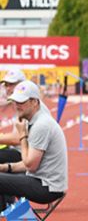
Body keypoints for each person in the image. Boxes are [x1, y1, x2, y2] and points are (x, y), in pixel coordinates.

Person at [0, 80, 67, 211]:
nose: (16, 105)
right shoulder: (37, 117)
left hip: (47, 187)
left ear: (34, 102)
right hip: (42, 180)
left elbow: (30, 165)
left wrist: (23, 136)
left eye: (21, 102)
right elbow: (29, 164)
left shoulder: (41, 125)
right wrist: (6, 167)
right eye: (15, 101)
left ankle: (9, 211)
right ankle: (8, 212)